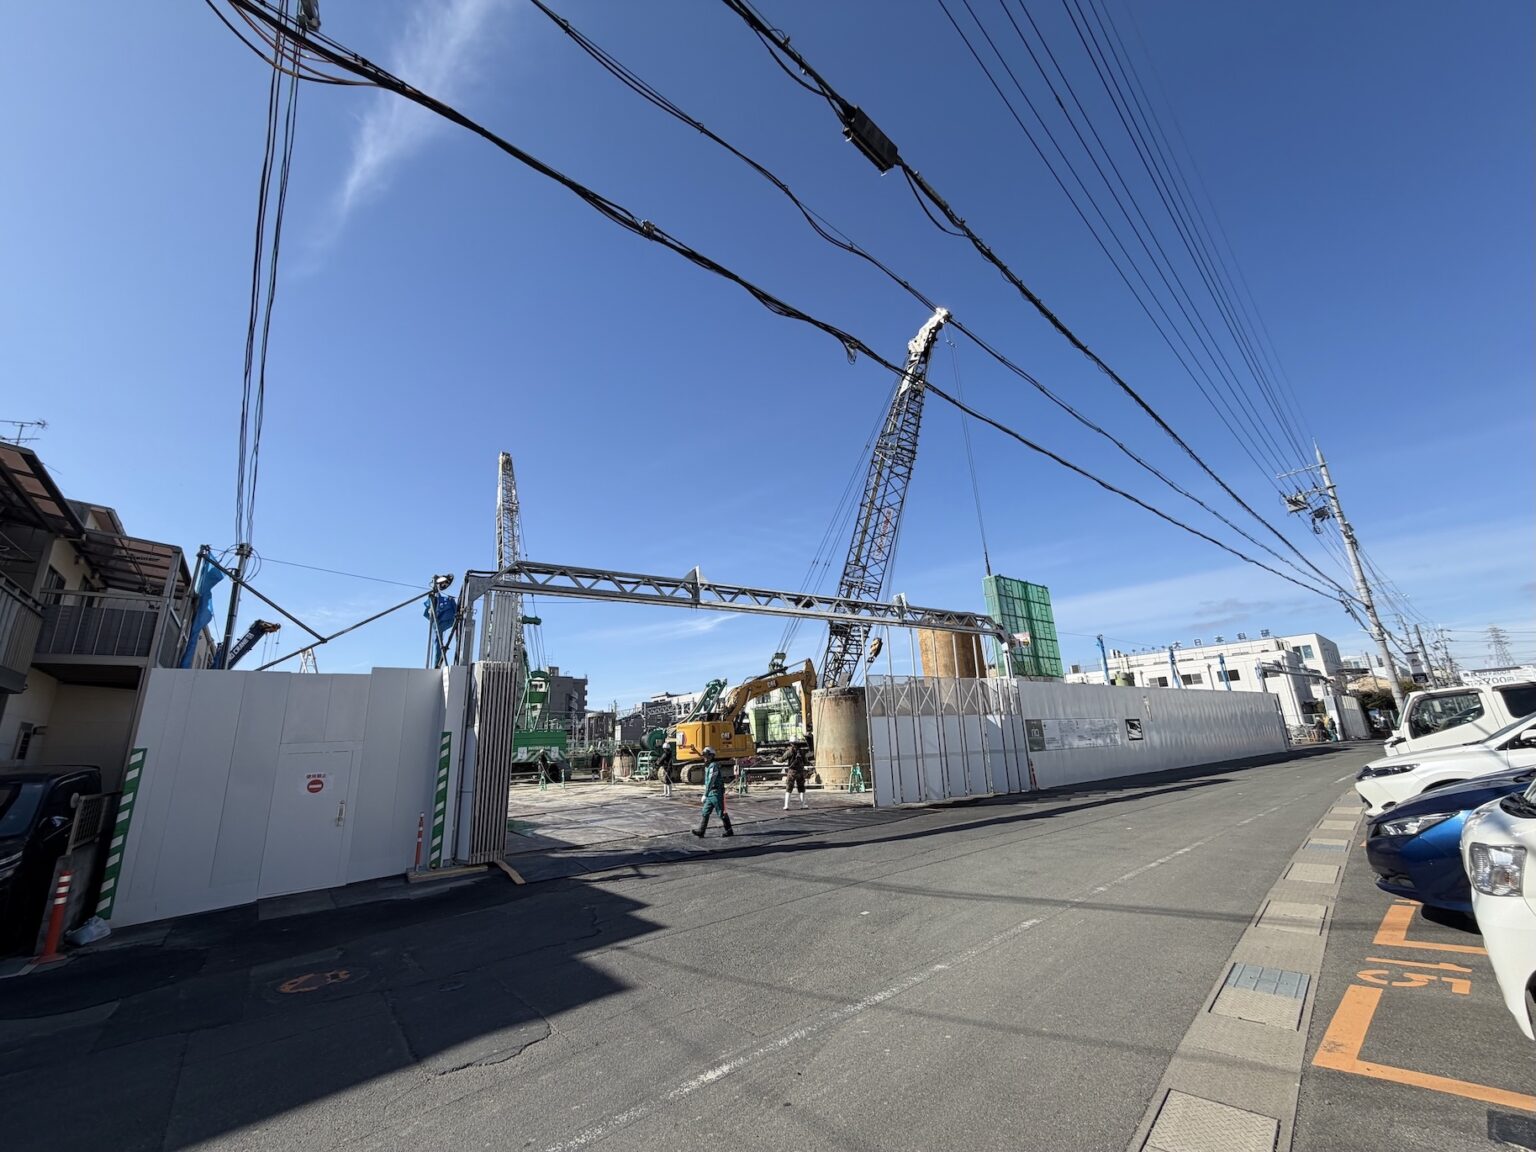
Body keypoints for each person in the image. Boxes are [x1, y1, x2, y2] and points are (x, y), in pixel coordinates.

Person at [693, 747, 734, 838]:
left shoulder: (713, 766)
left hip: (716, 793)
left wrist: (705, 794)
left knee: (721, 813)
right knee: (705, 811)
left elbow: (711, 780)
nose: (705, 758)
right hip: (710, 793)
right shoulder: (708, 766)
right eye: (704, 756)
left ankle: (729, 830)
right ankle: (701, 831)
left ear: (711, 756)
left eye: (706, 756)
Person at [783, 741, 808, 810]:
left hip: (791, 772)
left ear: (791, 743)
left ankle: (786, 805)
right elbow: (805, 761)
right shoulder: (801, 752)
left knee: (789, 788)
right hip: (800, 772)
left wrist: (774, 758)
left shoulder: (789, 751)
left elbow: (781, 759)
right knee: (801, 788)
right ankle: (803, 805)